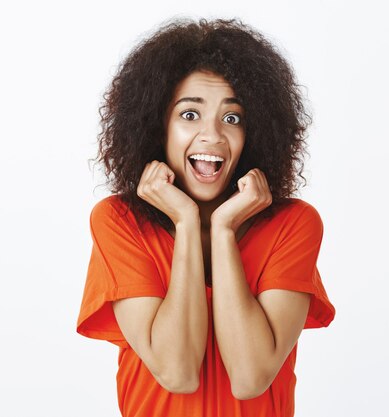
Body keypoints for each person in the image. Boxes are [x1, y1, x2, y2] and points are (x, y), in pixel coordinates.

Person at [76, 18, 335, 417]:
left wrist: (223, 230)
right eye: (190, 115)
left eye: (232, 118)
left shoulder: (294, 225)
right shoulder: (118, 221)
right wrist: (184, 221)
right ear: (156, 125)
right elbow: (177, 372)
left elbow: (251, 377)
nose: (212, 135)